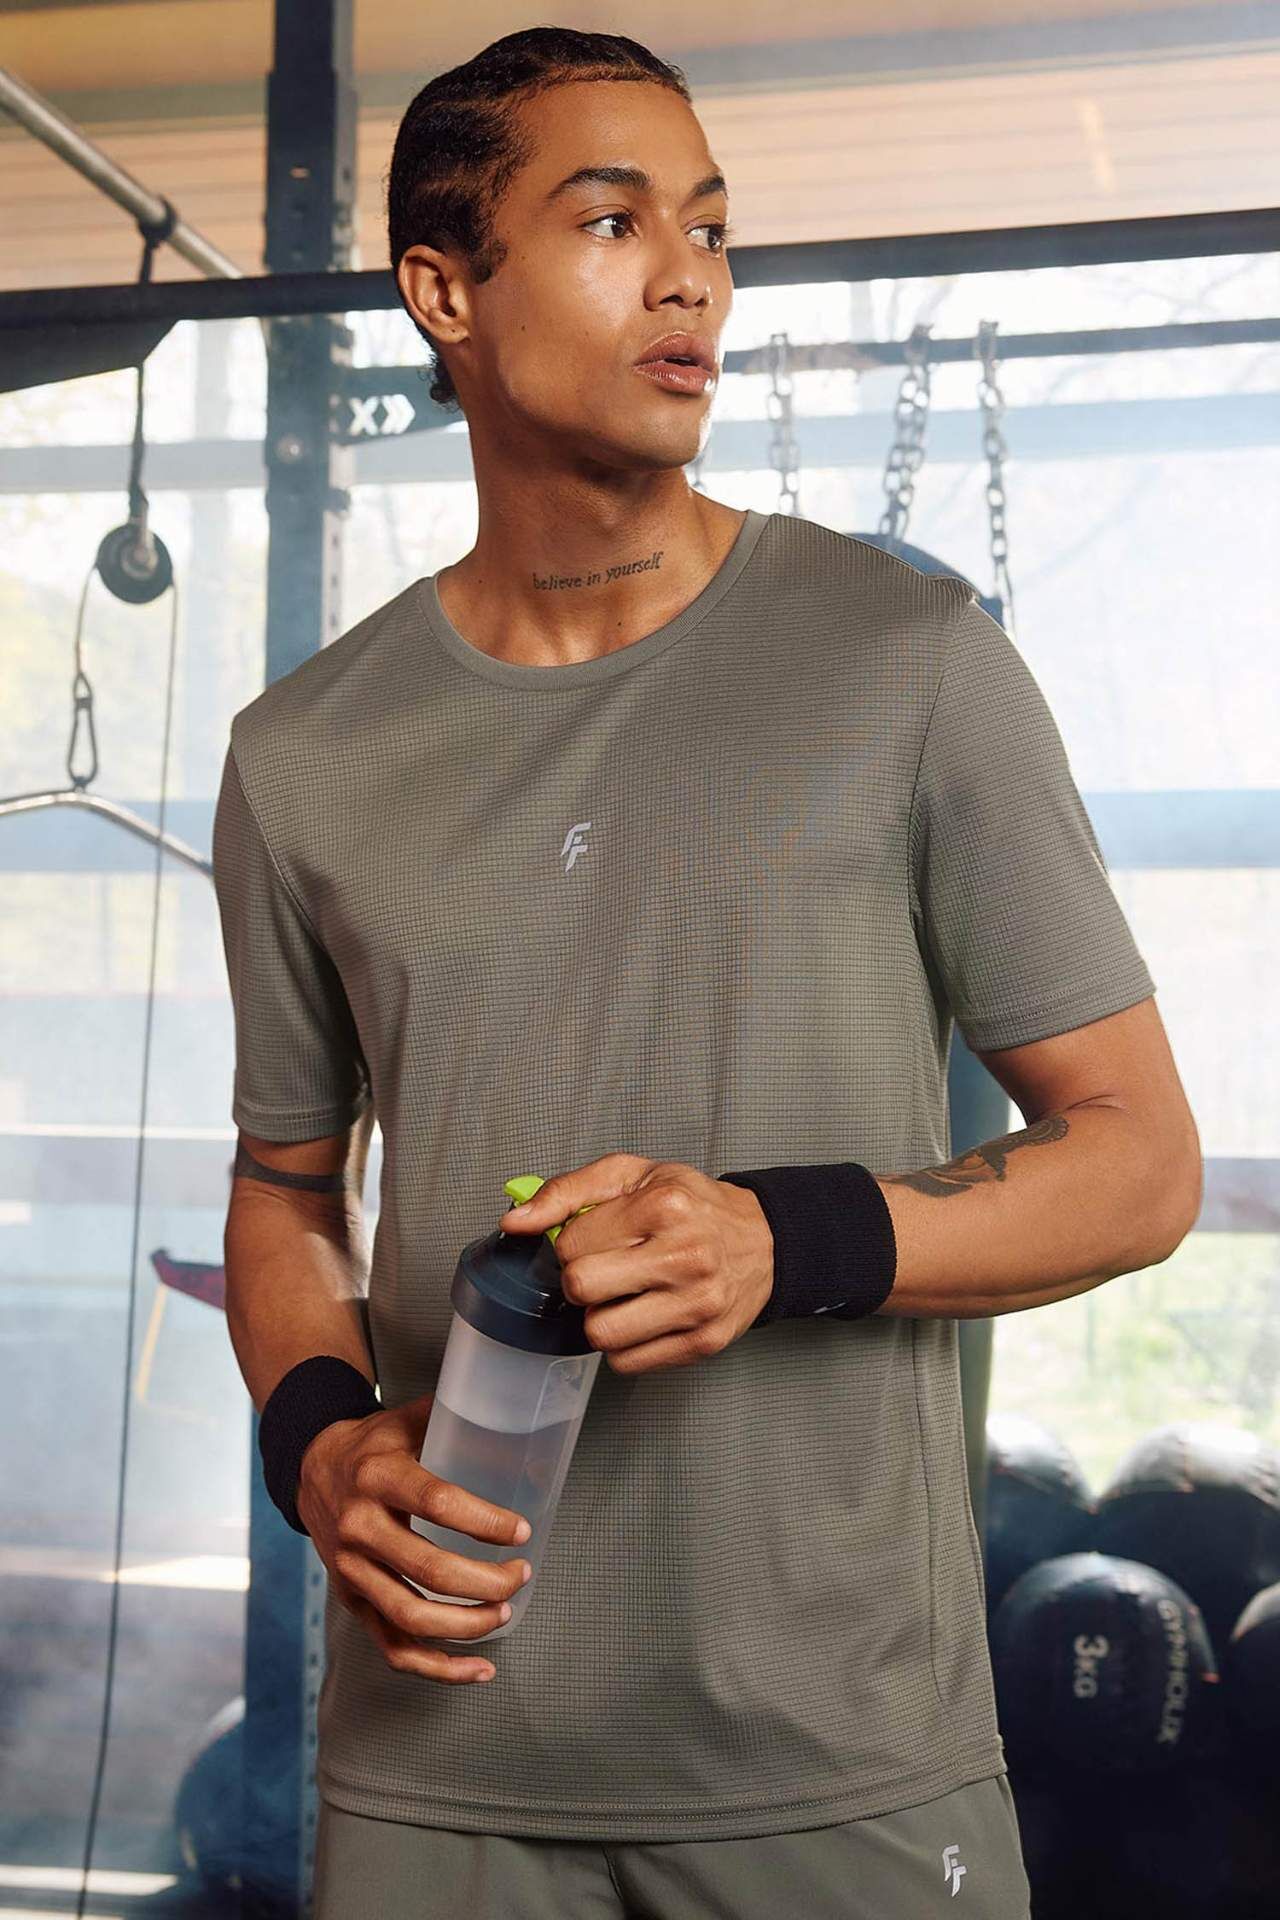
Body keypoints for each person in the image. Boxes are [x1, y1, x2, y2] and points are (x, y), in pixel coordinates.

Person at [211, 25, 1202, 1920]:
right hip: (437, 1757)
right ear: (445, 291)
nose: (689, 278)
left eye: (712, 227)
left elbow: (1142, 1161)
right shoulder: (304, 755)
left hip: (833, 1755)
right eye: (612, 221)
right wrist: (316, 1442)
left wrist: (778, 1237)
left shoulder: (911, 660)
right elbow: (283, 1193)